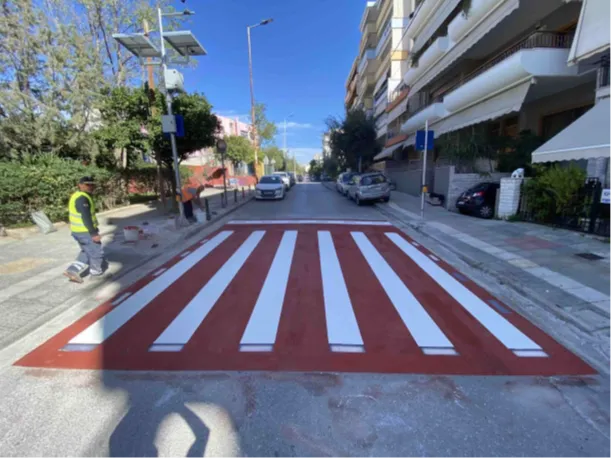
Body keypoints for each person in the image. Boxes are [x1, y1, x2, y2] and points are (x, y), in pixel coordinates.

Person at [63, 176, 107, 283]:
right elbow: (86, 217)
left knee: (86, 251)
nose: (90, 187)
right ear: (80, 185)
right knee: (96, 252)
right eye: (87, 185)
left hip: (77, 231)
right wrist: (94, 233)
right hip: (85, 232)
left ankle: (72, 270)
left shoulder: (77, 195)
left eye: (92, 185)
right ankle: (96, 274)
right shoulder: (82, 198)